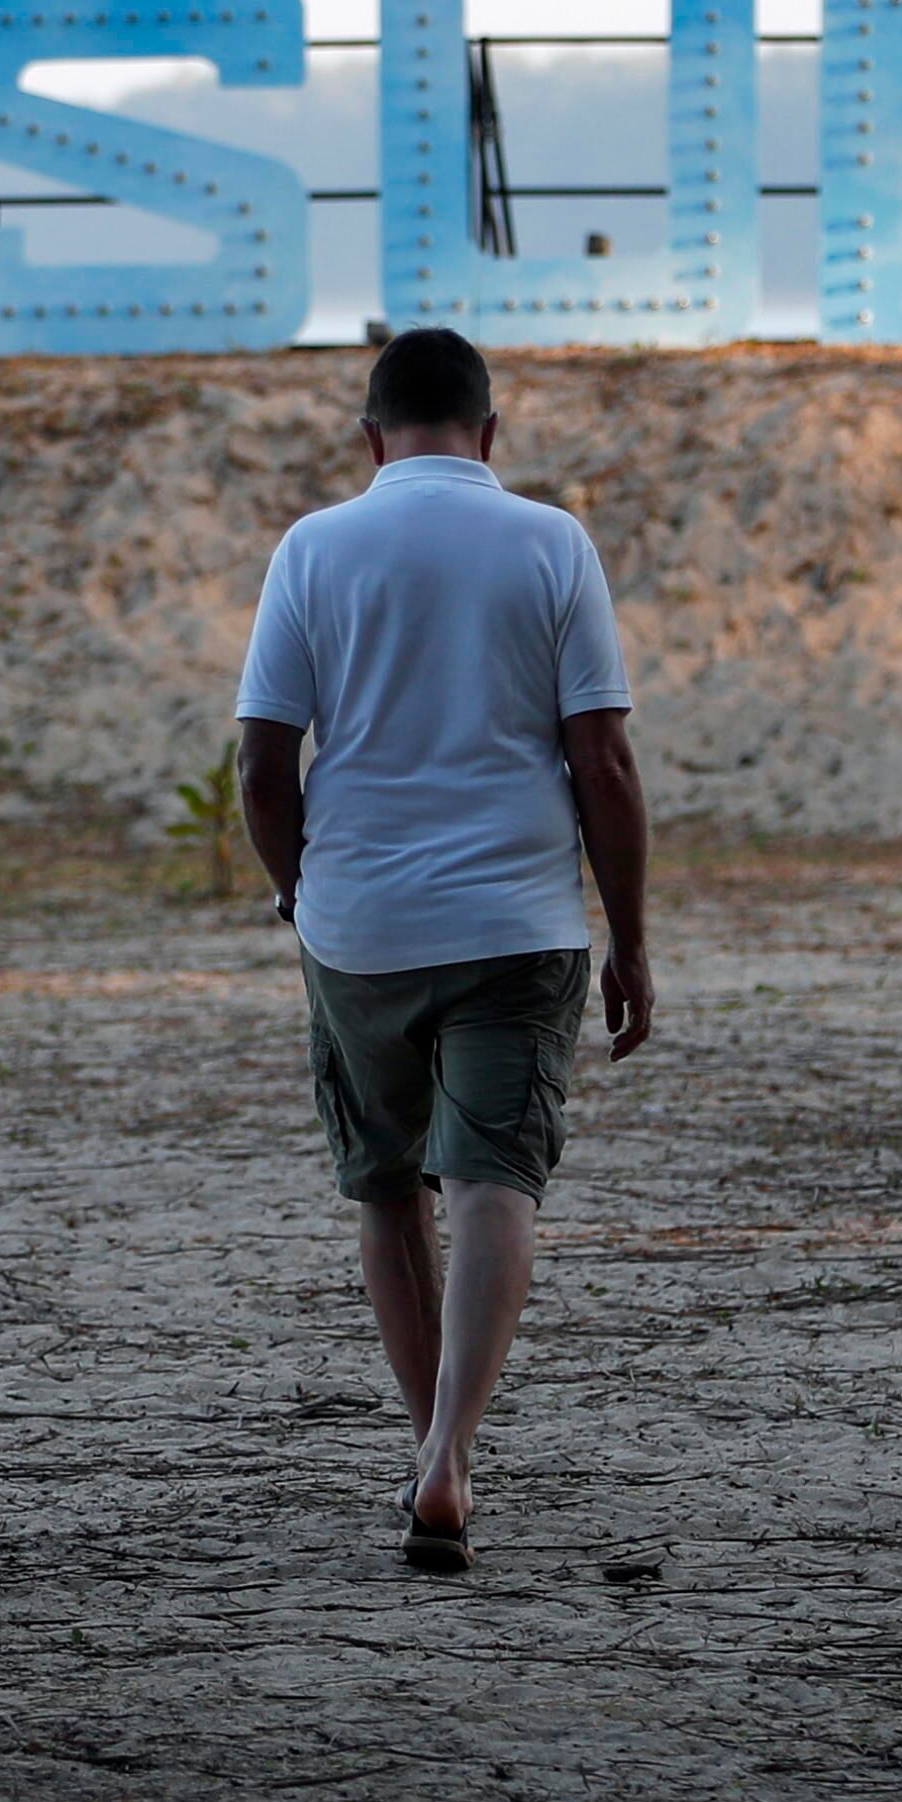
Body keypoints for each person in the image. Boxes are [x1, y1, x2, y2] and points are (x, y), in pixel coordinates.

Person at [234, 327, 653, 1575]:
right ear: (490, 432)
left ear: (370, 438)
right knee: (491, 1189)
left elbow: (262, 760)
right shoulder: (550, 542)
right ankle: (449, 1458)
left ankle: (430, 1442)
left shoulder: (314, 546)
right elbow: (605, 760)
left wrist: (297, 889)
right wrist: (629, 936)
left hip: (357, 928)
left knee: (387, 1192)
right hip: (516, 923)